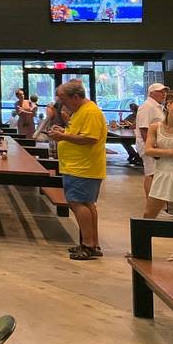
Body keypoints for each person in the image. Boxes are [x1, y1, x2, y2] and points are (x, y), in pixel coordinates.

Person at [46, 80, 107, 260]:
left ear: (75, 97)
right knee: (87, 204)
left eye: (64, 99)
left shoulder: (91, 112)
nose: (62, 104)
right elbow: (79, 133)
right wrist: (64, 131)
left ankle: (88, 244)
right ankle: (92, 243)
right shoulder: (80, 111)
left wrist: (63, 136)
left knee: (78, 203)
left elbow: (90, 138)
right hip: (78, 166)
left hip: (83, 167)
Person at [143, 95, 173, 233]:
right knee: (149, 214)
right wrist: (171, 152)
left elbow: (153, 150)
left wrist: (159, 151)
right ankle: (140, 250)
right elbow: (148, 150)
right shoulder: (156, 127)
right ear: (169, 104)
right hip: (162, 174)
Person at [134, 84, 168, 203]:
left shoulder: (158, 107)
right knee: (151, 174)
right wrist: (152, 148)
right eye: (160, 92)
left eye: (164, 92)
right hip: (150, 148)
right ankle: (151, 203)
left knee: (156, 174)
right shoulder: (147, 106)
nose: (163, 94)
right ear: (151, 93)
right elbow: (144, 130)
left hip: (157, 147)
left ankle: (157, 202)